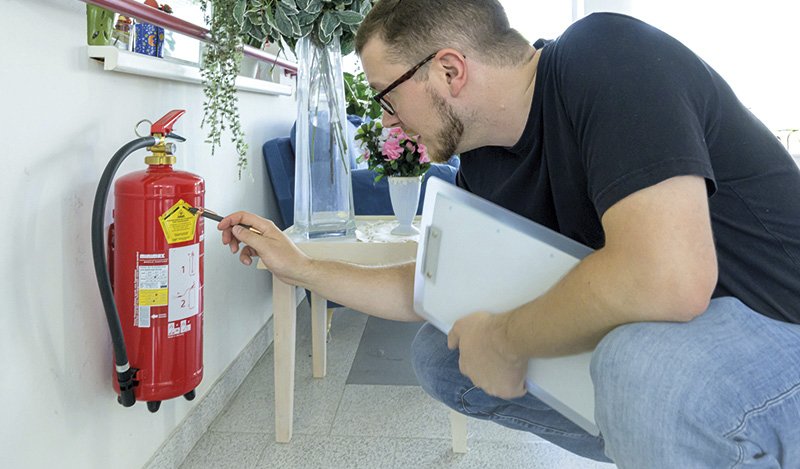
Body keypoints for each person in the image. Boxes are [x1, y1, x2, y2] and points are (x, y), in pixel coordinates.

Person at [217, 1, 800, 466]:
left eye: (386, 97)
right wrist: (300, 267)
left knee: (643, 368)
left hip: (781, 328)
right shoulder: (486, 161)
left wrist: (507, 338)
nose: (386, 120)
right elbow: (435, 288)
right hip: (699, 344)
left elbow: (668, 278)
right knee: (444, 356)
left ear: (448, 69)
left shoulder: (607, 54)